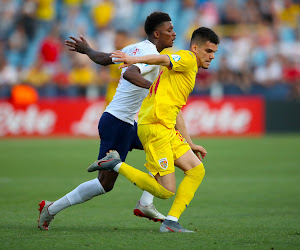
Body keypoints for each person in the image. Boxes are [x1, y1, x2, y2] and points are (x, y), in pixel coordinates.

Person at [38, 12, 176, 230]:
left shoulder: (135, 48)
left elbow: (104, 59)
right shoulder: (148, 53)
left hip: (126, 122)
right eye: (169, 31)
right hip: (117, 123)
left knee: (163, 145)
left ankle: (146, 203)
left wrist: (87, 50)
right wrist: (156, 92)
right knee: (105, 184)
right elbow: (130, 73)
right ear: (157, 34)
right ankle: (51, 208)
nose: (174, 34)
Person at [88, 27, 220, 233]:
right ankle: (115, 164)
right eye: (208, 51)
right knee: (167, 191)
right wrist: (133, 61)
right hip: (156, 127)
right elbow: (165, 60)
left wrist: (190, 143)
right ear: (195, 48)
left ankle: (171, 222)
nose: (212, 57)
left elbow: (175, 109)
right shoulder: (187, 59)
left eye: (214, 53)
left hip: (166, 127)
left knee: (196, 170)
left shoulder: (183, 65)